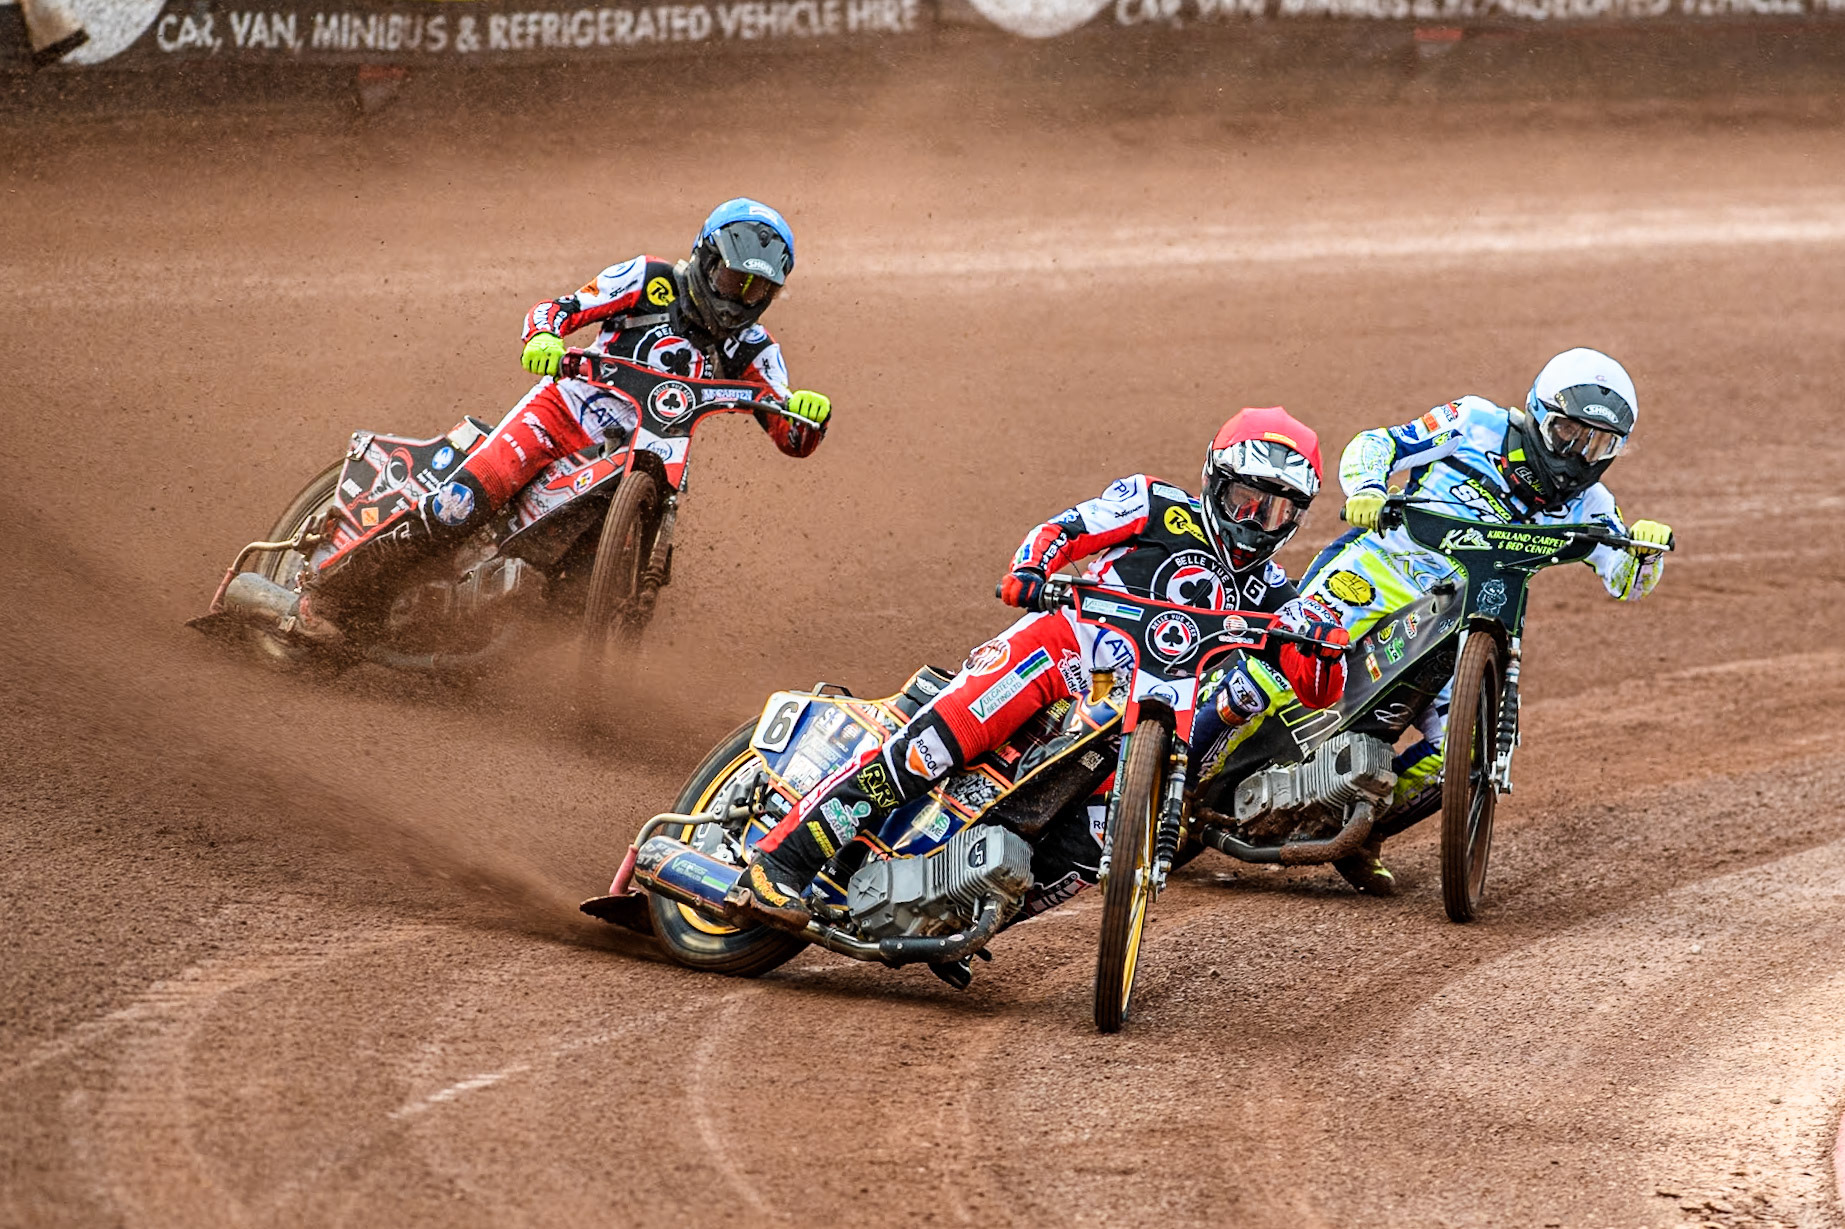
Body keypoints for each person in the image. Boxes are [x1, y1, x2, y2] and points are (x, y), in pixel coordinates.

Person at [731, 406, 1352, 936]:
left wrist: (1325, 643)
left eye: (1275, 512)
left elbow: (1320, 689)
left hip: (1138, 715)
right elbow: (1067, 529)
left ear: (1296, 519)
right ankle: (780, 862)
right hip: (1058, 652)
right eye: (1244, 499)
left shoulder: (1273, 593)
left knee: (1097, 846)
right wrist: (1030, 569)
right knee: (928, 752)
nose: (1253, 521)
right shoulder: (1157, 504)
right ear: (1214, 480)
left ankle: (960, 908)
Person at [294, 197, 833, 640]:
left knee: (589, 588)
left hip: (644, 457)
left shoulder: (754, 349)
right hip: (559, 415)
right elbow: (559, 309)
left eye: (757, 290)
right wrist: (545, 337)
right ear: (705, 257)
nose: (741, 299)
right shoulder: (650, 280)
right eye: (734, 280)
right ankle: (327, 595)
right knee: (463, 504)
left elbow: (790, 429)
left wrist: (807, 414)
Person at [1300, 347, 1674, 894]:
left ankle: (1357, 831)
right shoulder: (1472, 422)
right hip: (1379, 571)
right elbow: (1377, 444)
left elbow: (1626, 581)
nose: (1578, 453)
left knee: (1474, 750)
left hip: (1471, 622)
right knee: (1285, 658)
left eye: (1598, 442)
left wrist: (1646, 552)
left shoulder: (1592, 504)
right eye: (1569, 431)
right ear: (1538, 413)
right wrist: (1368, 490)